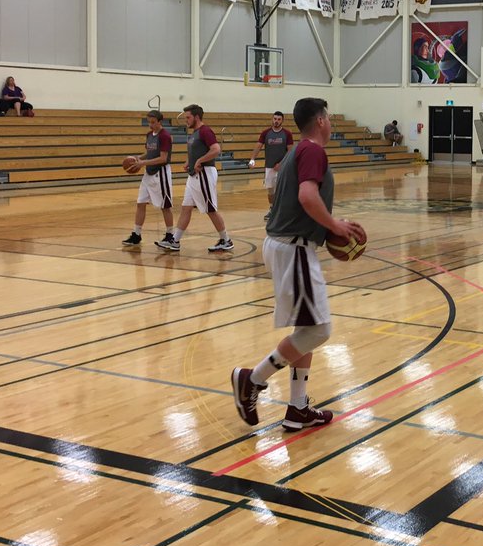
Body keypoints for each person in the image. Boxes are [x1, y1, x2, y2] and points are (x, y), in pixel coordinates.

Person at [231, 97, 366, 430]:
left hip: (286, 245)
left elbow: (296, 199)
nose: (330, 123)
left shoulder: (296, 152)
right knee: (319, 330)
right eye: (328, 118)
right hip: (294, 248)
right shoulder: (313, 150)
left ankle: (297, 408)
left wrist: (326, 225)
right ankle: (253, 378)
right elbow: (307, 196)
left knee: (306, 329)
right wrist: (334, 226)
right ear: (320, 121)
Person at [156, 104, 233, 253]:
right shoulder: (194, 133)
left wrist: (200, 161)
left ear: (196, 117)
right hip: (194, 176)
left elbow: (216, 149)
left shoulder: (205, 131)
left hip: (204, 174)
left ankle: (226, 240)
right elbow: (196, 152)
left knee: (211, 209)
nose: (186, 120)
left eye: (188, 117)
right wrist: (189, 162)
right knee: (186, 208)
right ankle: (175, 241)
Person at [122, 111, 174, 247]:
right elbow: (150, 152)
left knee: (165, 206)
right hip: (148, 173)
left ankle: (170, 235)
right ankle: (136, 234)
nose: (150, 125)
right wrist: (138, 158)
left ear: (159, 122)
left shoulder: (165, 136)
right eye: (148, 122)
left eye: (153, 122)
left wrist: (143, 163)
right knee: (140, 202)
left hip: (161, 173)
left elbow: (163, 158)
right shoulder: (149, 135)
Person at [248, 110, 295, 221]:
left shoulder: (287, 134)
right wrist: (252, 159)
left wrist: (281, 164)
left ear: (282, 121)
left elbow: (290, 151)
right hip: (269, 167)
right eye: (275, 119)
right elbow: (258, 146)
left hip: (282, 167)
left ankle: (283, 211)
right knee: (270, 190)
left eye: (279, 119)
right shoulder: (266, 133)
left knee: (282, 190)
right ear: (272, 119)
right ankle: (272, 209)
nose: (276, 121)